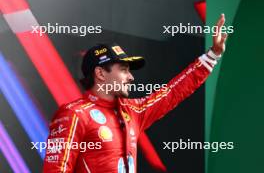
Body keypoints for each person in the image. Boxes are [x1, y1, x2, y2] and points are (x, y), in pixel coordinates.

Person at [43, 14, 228, 173]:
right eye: (123, 69)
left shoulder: (133, 110)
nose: (131, 77)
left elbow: (173, 92)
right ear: (100, 73)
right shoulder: (74, 114)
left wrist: (212, 56)